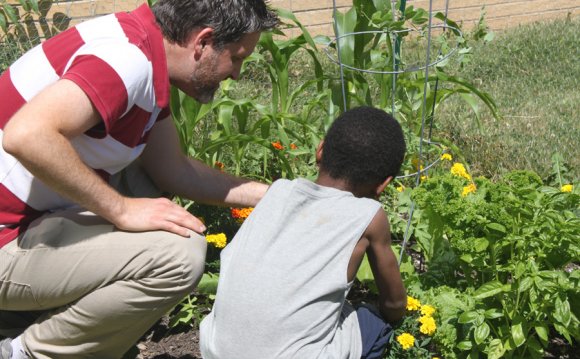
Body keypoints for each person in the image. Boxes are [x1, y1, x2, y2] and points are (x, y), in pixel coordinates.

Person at [0, 0, 278, 358]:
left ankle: (18, 318)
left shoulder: (144, 51)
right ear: (203, 41)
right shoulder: (127, 62)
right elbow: (27, 135)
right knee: (178, 256)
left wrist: (277, 195)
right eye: (237, 57)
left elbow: (172, 169)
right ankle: (25, 352)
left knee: (143, 185)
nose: (236, 74)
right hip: (7, 237)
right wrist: (120, 210)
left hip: (23, 226)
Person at [200, 106, 408, 359]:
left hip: (215, 349)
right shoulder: (369, 216)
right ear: (384, 184)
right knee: (374, 323)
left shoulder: (277, 191)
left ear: (320, 150)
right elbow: (394, 305)